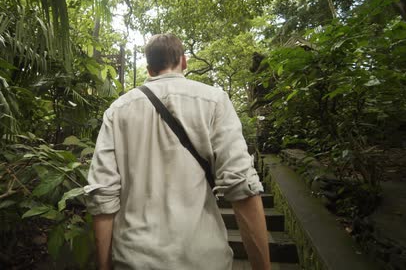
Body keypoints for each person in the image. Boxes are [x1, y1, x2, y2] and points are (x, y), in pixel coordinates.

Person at [85, 34, 270, 270]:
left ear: (149, 68)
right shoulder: (214, 101)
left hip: (134, 259)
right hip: (203, 259)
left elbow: (102, 196)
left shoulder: (117, 111)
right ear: (184, 61)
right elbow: (243, 188)